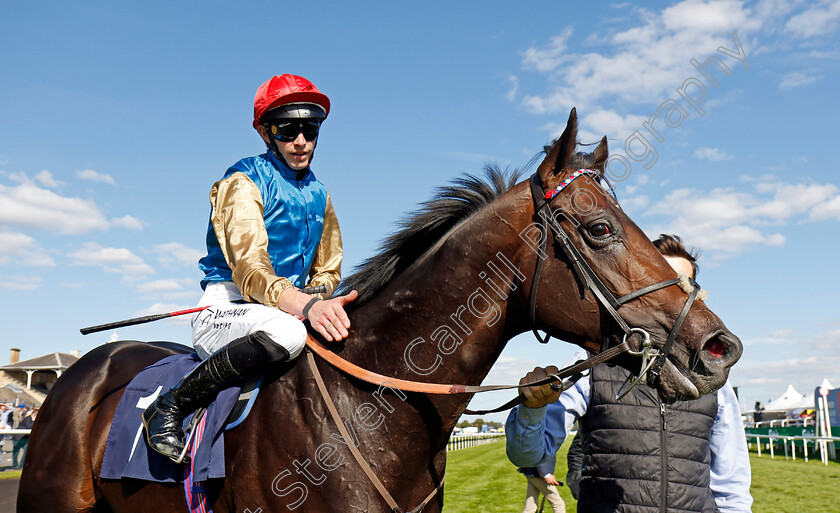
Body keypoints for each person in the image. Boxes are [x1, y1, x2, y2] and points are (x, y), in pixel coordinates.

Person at [143, 74, 358, 463]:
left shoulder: (320, 193)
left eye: (309, 129)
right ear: (264, 132)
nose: (300, 141)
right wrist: (303, 305)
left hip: (286, 308)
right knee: (289, 331)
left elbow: (329, 269)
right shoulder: (242, 180)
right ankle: (169, 406)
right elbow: (249, 269)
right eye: (287, 129)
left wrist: (319, 295)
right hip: (227, 306)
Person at [506, 235, 752, 513]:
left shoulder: (711, 375)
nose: (675, 296)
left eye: (684, 286)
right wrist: (532, 411)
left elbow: (733, 486)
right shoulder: (592, 362)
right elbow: (527, 455)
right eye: (664, 281)